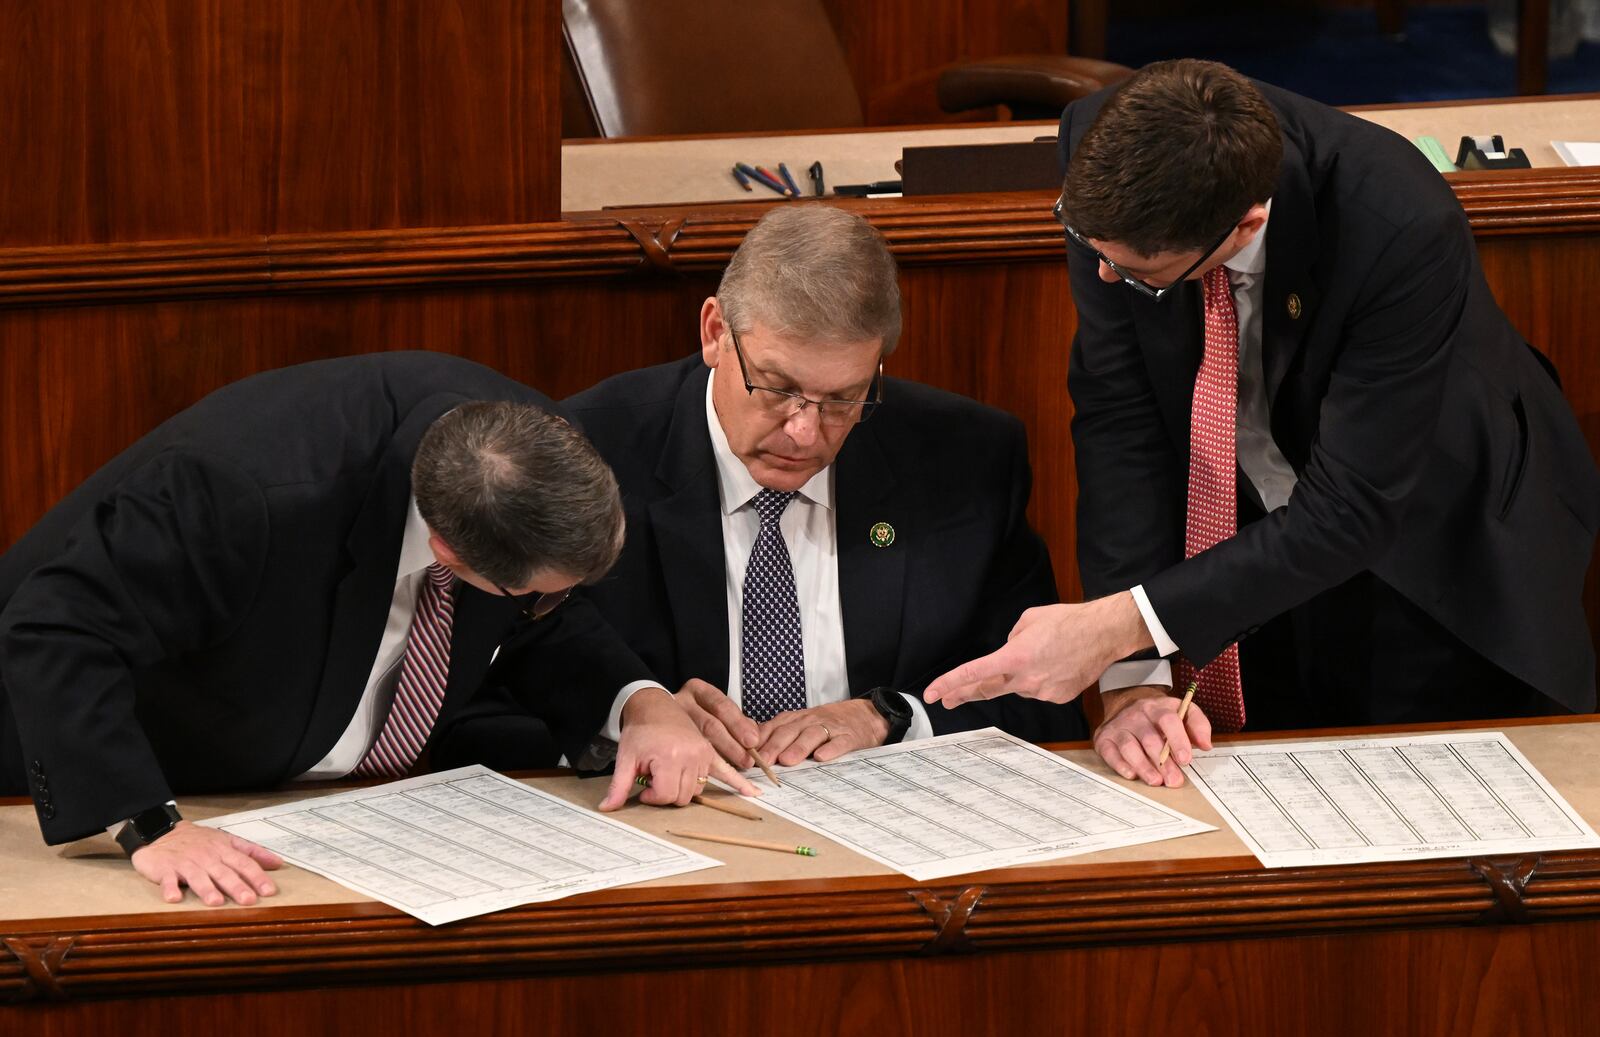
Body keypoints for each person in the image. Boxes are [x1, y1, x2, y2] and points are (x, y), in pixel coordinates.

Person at [925, 60, 1600, 788]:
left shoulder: (1397, 219)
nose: (1105, 282)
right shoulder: (1104, 153)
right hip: (1251, 533)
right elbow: (1119, 414)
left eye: (1141, 274)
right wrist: (1133, 672)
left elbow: (1350, 511)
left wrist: (1118, 623)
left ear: (1247, 222)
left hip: (1430, 532)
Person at [0, 351, 753, 907]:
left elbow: (537, 608)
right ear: (449, 554)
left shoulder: (527, 446)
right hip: (123, 770)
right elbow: (54, 626)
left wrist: (637, 701)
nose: (540, 605)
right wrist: (147, 823)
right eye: (529, 593)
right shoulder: (245, 492)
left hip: (319, 806)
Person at [439, 206, 1082, 776]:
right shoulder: (590, 453)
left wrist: (891, 717)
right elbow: (481, 696)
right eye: (777, 387)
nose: (805, 433)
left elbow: (1040, 699)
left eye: (843, 399)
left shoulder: (963, 459)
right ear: (716, 332)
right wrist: (628, 717)